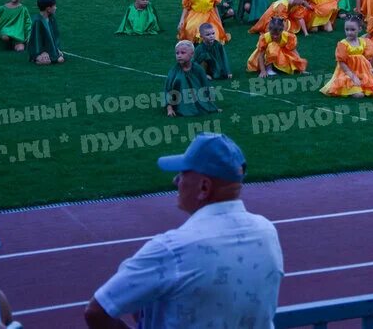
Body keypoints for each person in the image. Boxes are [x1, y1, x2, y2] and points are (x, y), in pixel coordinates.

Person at [85, 133, 283, 329]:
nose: (175, 181)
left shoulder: (172, 249)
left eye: (183, 174)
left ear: (204, 187)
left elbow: (96, 312)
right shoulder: (267, 232)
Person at [320, 15, 373, 97]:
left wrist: (370, 69)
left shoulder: (364, 42)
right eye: (347, 29)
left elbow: (365, 59)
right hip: (347, 73)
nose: (349, 32)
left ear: (360, 29)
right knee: (359, 95)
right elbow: (342, 63)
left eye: (353, 30)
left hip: (362, 72)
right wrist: (353, 77)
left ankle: (359, 86)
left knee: (371, 91)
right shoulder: (343, 44)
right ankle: (351, 88)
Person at [164, 41, 220, 117]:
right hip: (179, 102)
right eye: (177, 53)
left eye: (183, 53)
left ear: (192, 54)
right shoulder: (173, 71)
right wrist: (169, 108)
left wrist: (211, 105)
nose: (179, 56)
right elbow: (168, 90)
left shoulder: (198, 69)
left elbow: (205, 85)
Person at [28, 0, 64, 64]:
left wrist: (57, 48)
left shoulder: (51, 18)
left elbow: (54, 36)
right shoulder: (38, 21)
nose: (56, 8)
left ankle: (50, 56)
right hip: (40, 50)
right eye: (54, 6)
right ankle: (37, 58)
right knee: (53, 60)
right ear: (48, 8)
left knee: (59, 59)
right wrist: (41, 52)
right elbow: (36, 40)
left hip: (49, 49)